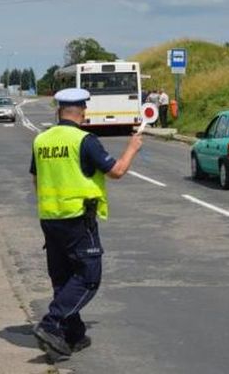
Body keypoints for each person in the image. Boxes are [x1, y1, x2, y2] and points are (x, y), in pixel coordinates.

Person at [30, 88, 143, 357]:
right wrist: (132, 148)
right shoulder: (84, 140)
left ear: (59, 111)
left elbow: (36, 180)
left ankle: (74, 335)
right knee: (88, 278)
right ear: (83, 112)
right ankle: (52, 323)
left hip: (50, 218)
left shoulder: (41, 140)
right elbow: (116, 171)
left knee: (63, 278)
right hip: (79, 220)